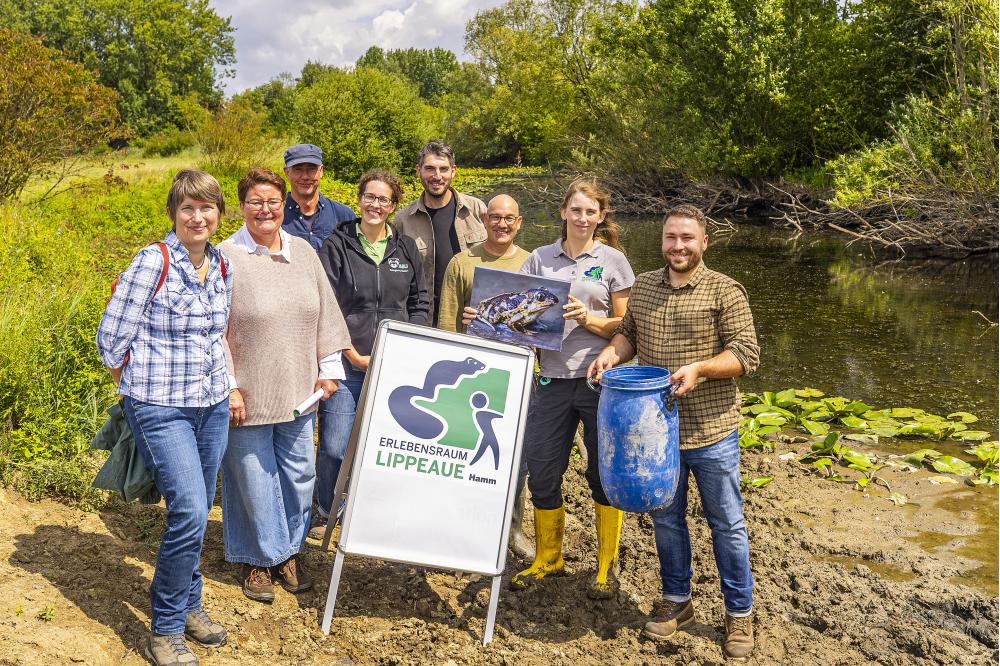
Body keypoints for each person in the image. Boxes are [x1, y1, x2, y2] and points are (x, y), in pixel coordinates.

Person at [588, 204, 760, 660]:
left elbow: (746, 354)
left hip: (712, 429)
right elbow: (628, 336)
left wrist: (700, 369)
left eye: (687, 238)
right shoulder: (645, 285)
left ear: (704, 242)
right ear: (662, 241)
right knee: (666, 519)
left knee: (727, 524)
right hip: (655, 434)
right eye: (671, 237)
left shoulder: (725, 290)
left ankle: (739, 613)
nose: (678, 246)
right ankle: (677, 601)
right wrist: (610, 355)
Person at [470, 179, 635, 599]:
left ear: (600, 217)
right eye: (575, 210)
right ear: (563, 212)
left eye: (590, 212)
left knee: (602, 474)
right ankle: (549, 558)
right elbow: (517, 321)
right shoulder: (540, 259)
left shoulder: (613, 261)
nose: (582, 218)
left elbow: (628, 326)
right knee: (542, 471)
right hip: (550, 380)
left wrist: (587, 319)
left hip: (599, 381)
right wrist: (481, 320)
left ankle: (606, 566)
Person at [96, 169, 232, 666]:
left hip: (212, 404)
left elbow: (217, 337)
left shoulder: (221, 264)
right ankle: (166, 628)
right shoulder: (153, 261)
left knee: (199, 508)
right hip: (161, 406)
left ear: (219, 214)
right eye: (188, 208)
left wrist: (229, 388)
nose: (198, 217)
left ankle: (190, 604)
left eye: (207, 207)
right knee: (190, 510)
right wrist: (136, 389)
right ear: (174, 213)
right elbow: (110, 337)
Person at [219, 168, 352, 604]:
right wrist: (229, 386)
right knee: (253, 480)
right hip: (248, 394)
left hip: (299, 391)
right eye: (255, 202)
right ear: (242, 207)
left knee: (300, 477)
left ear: (284, 205)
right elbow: (213, 330)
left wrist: (329, 368)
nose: (265, 210)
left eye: (273, 202)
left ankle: (289, 552)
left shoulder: (304, 253)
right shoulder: (226, 257)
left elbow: (325, 313)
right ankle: (259, 561)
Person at [315, 168, 430, 533]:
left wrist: (405, 347)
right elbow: (326, 304)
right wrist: (350, 353)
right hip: (347, 364)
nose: (375, 205)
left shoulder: (405, 247)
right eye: (370, 197)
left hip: (393, 366)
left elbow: (420, 302)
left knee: (383, 446)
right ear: (359, 199)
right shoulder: (337, 244)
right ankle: (326, 508)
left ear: (393, 205)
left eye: (383, 199)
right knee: (335, 447)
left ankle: (368, 510)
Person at [436, 194, 533, 559]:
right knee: (465, 451)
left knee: (517, 456)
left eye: (509, 218)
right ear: (484, 220)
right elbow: (447, 324)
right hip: (473, 374)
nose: (501, 224)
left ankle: (513, 528)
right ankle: (461, 525)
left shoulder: (532, 263)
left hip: (519, 374)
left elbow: (542, 329)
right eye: (495, 217)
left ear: (518, 222)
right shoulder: (462, 262)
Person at [279, 143, 360, 534]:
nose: (305, 176)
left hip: (334, 333)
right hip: (290, 334)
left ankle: (328, 504)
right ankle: (290, 499)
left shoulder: (342, 216)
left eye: (311, 169)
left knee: (334, 440)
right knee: (291, 422)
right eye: (298, 170)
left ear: (322, 172)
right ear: (288, 173)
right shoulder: (276, 214)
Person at [394, 140, 486, 326]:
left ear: (453, 171)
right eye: (430, 169)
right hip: (425, 322)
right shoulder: (403, 220)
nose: (437, 176)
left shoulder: (477, 210)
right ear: (418, 170)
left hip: (473, 321)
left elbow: (499, 257)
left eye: (443, 169)